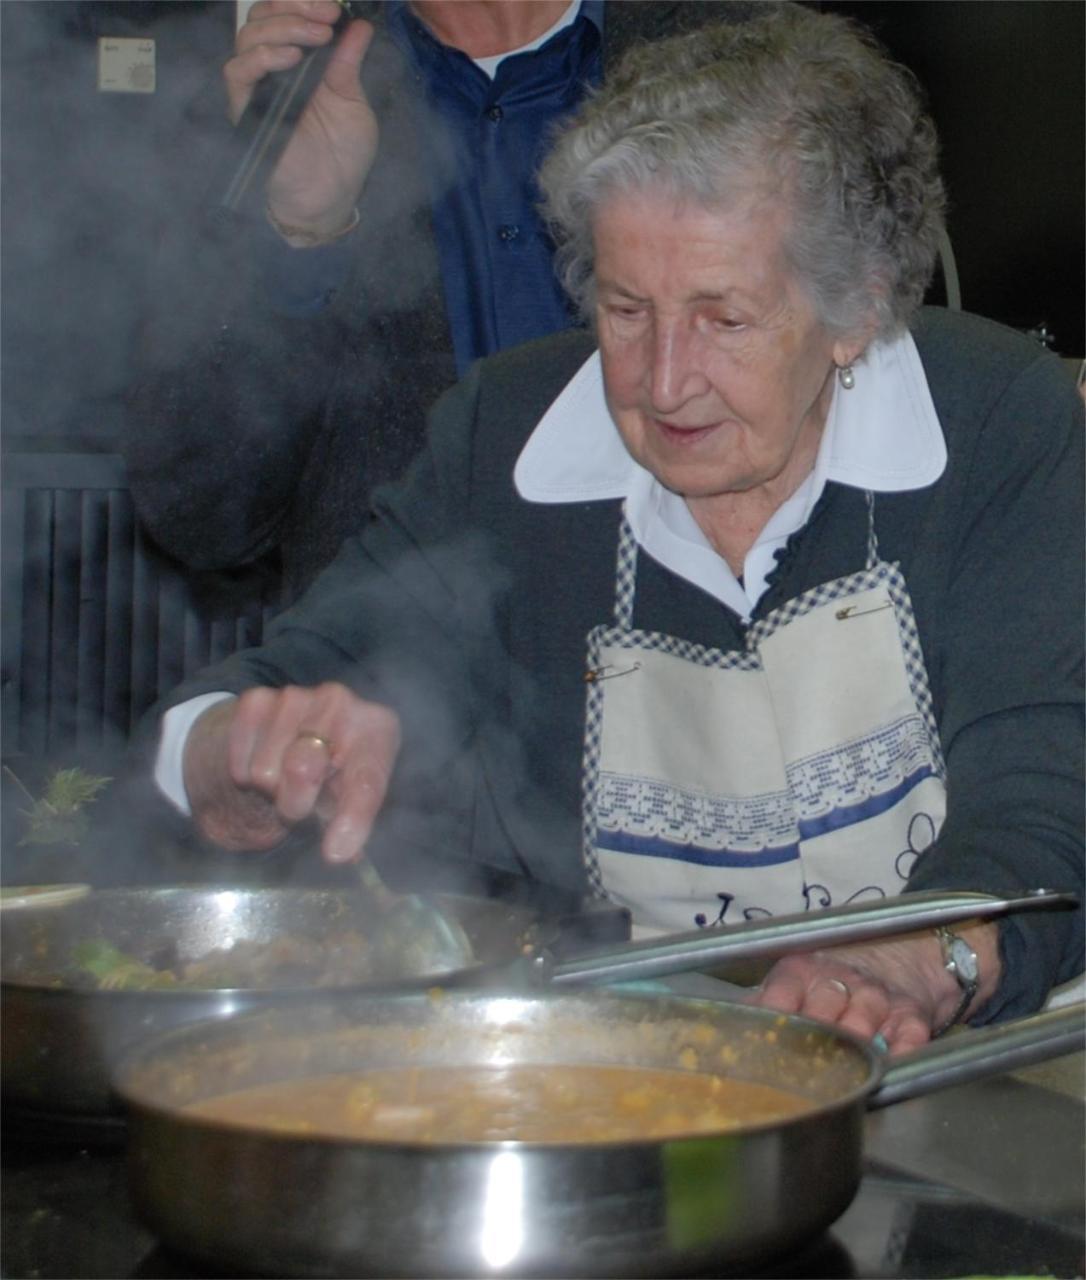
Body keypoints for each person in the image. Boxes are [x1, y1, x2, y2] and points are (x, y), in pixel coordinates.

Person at [141, 5, 1084, 1054]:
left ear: (857, 305)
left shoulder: (998, 423)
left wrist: (914, 959)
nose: (664, 381)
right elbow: (256, 691)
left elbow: (1047, 793)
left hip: (965, 1067)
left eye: (724, 319)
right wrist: (235, 753)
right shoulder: (509, 437)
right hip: (634, 1068)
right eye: (627, 311)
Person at [125, 0, 763, 601]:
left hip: (702, 670)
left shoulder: (750, 56)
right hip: (398, 686)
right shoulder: (280, 95)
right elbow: (200, 516)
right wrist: (300, 238)